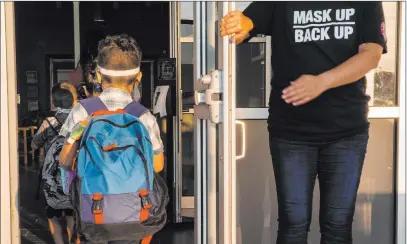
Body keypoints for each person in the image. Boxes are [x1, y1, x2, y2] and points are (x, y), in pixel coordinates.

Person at [221, 2, 386, 244]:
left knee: (338, 225)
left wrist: (322, 82)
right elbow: (248, 24)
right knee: (293, 223)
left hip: (346, 131)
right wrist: (239, 24)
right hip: (291, 132)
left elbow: (372, 54)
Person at [59, 34, 165, 244]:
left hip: (93, 212)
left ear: (98, 76)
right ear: (139, 78)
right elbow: (158, 165)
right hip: (135, 214)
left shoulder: (82, 111)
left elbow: (65, 162)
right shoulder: (143, 116)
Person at [32, 82, 78, 244]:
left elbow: (34, 144)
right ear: (74, 100)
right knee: (72, 214)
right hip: (74, 175)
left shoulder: (48, 123)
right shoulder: (79, 121)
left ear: (54, 102)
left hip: (52, 180)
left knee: (53, 217)